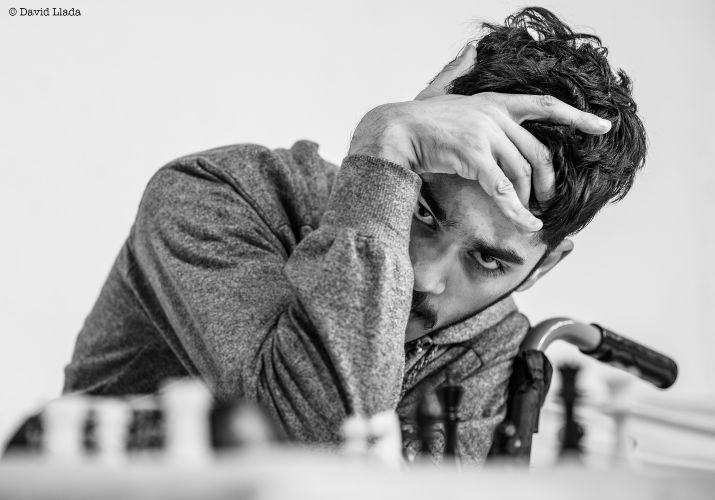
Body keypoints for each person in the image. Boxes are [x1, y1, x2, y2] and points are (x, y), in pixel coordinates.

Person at [61, 7, 646, 464]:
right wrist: (384, 141)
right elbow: (322, 453)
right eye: (421, 211)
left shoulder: (494, 346)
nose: (425, 277)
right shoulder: (212, 198)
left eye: (487, 260)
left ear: (542, 267)